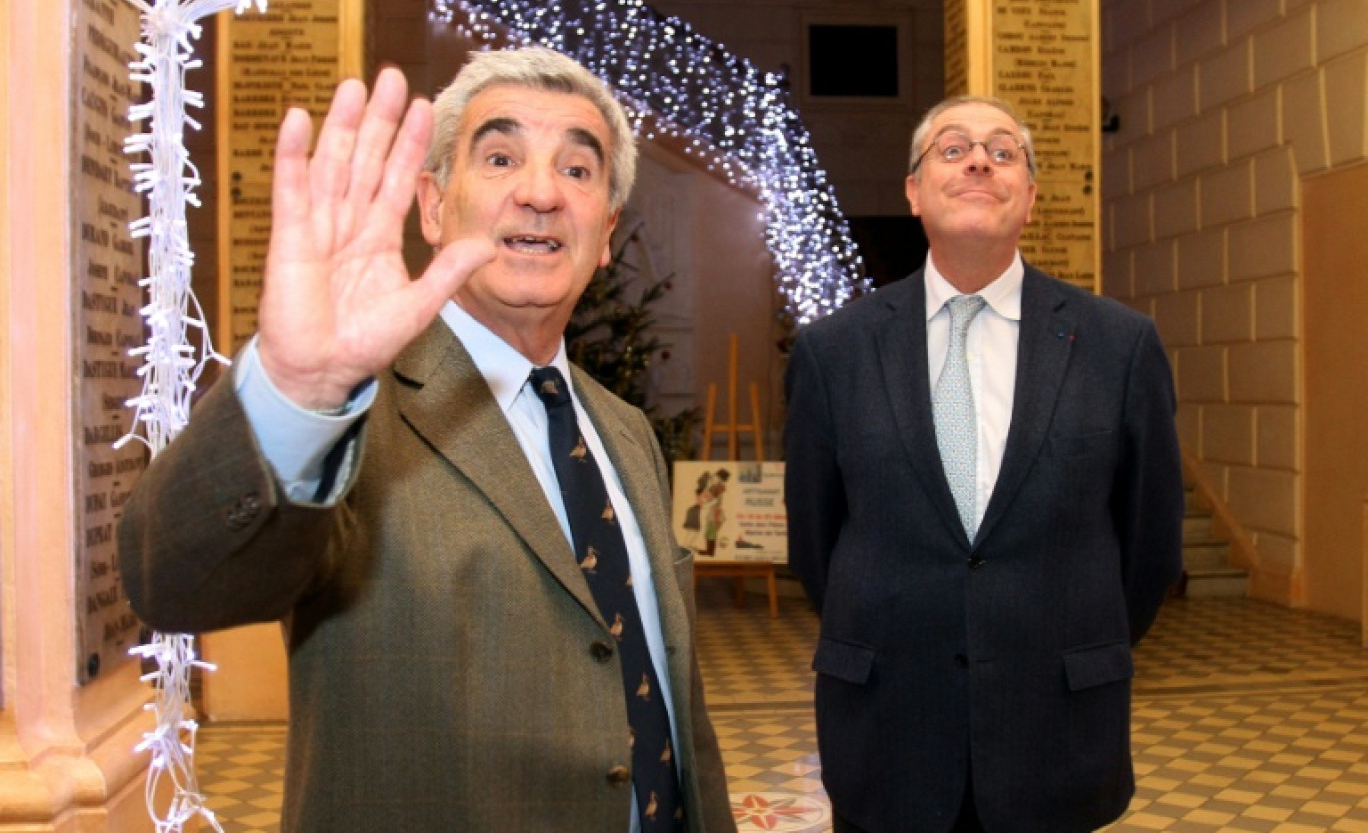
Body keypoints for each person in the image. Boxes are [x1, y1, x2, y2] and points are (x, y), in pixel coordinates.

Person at [119, 47, 735, 833]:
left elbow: (674, 699)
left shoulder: (625, 431)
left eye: (578, 171)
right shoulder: (351, 416)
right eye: (501, 156)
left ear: (606, 231)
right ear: (434, 206)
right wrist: (299, 396)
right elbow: (170, 583)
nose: (541, 193)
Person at [783, 95, 1184, 833]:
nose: (978, 161)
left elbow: (1150, 546)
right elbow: (816, 542)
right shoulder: (833, 352)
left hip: (1056, 735)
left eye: (1003, 152)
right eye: (953, 148)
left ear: (1029, 197)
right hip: (887, 734)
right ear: (912, 191)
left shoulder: (1117, 347)